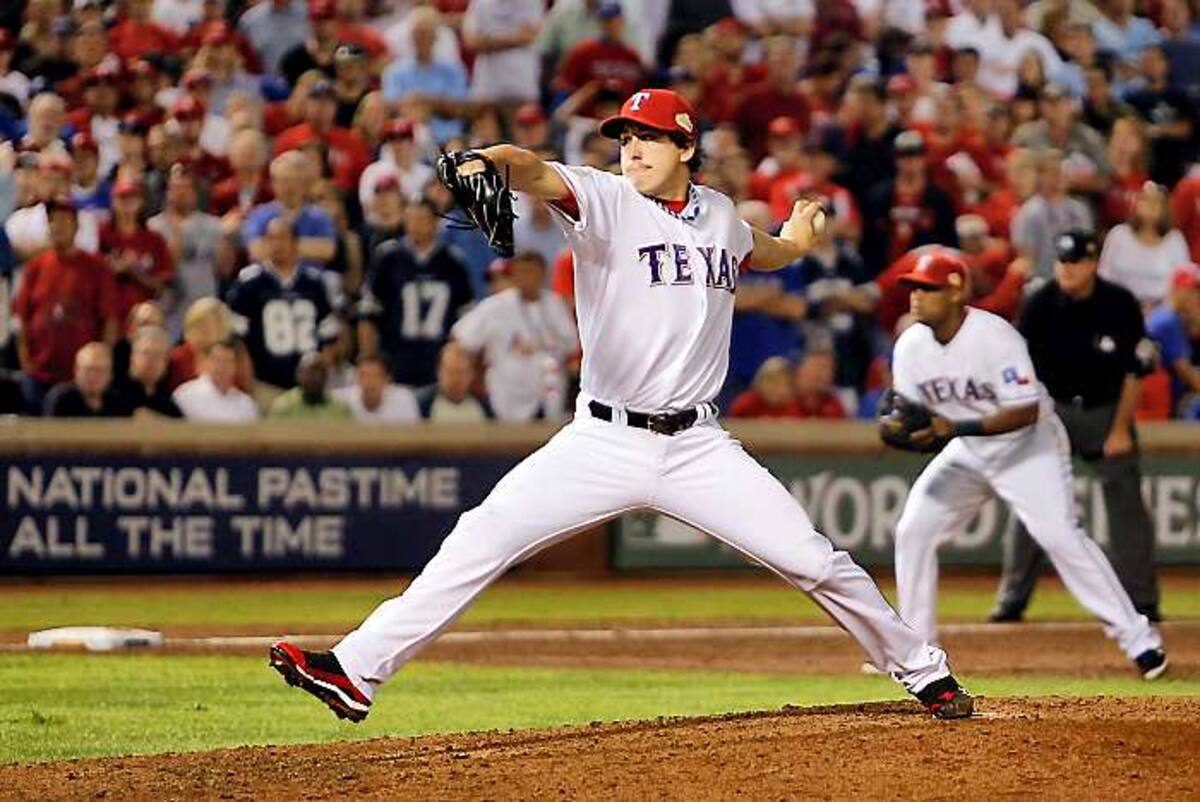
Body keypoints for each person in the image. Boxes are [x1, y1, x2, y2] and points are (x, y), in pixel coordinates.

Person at [270, 87, 974, 723]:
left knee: (815, 561)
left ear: (687, 147)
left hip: (697, 446)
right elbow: (531, 166)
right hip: (600, 439)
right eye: (624, 135)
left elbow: (767, 251)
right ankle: (355, 670)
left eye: (648, 135)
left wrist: (797, 235)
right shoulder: (605, 199)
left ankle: (924, 671)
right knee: (481, 537)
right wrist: (485, 158)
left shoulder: (721, 215)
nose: (631, 147)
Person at [885, 249, 1167, 679]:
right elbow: (912, 415)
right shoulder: (909, 347)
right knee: (913, 531)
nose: (916, 296)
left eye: (928, 288)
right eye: (913, 288)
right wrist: (907, 431)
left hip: (1027, 447)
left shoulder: (993, 336)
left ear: (957, 290)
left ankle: (1141, 641)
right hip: (970, 452)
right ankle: (917, 651)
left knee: (1060, 536)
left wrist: (951, 429)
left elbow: (1026, 411)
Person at [992, 230, 1165, 622]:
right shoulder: (1039, 303)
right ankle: (1011, 599)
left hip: (1107, 411)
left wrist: (1120, 429)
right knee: (1032, 503)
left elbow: (1135, 369)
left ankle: (1143, 602)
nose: (1067, 269)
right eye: (1062, 261)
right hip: (1052, 412)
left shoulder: (1118, 303)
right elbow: (1021, 369)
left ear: (1091, 263)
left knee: (1126, 506)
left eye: (1075, 261)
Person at [11, 197, 118, 413]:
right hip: (40, 372)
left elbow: (109, 320)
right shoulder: (36, 266)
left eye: (64, 220)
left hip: (82, 378)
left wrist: (102, 362)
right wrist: (25, 362)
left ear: (76, 226)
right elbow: (22, 318)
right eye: (52, 221)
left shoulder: (95, 267)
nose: (57, 226)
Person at [357, 197, 475, 388]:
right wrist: (369, 358)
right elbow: (369, 313)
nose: (415, 225)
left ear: (436, 222)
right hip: (395, 356)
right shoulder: (388, 256)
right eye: (410, 219)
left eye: (422, 219)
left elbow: (465, 319)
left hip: (438, 360)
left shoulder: (452, 261)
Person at [226, 217, 340, 409]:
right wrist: (249, 382)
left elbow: (328, 338)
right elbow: (238, 341)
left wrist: (320, 378)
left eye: (282, 238)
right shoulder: (250, 283)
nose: (277, 244)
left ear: (295, 243)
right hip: (265, 384)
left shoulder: (314, 283)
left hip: (308, 388)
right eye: (271, 238)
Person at [451, 251, 577, 422]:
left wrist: (543, 344)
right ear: (514, 274)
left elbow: (571, 344)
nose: (527, 277)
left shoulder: (554, 305)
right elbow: (461, 337)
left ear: (542, 274)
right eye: (522, 272)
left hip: (547, 395)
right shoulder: (496, 306)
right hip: (506, 394)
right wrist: (475, 376)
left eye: (532, 272)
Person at [1097, 182, 1191, 306]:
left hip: (1162, 309)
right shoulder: (1118, 235)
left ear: (1165, 208)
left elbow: (1183, 283)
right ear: (1136, 204)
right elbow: (1104, 277)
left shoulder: (1175, 239)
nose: (1151, 206)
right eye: (1146, 200)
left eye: (1157, 202)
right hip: (1120, 305)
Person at [173, 338, 260, 422]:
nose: (221, 366)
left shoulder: (246, 404)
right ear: (206, 362)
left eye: (228, 361)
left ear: (235, 367)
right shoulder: (185, 395)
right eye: (217, 360)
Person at [112, 324, 182, 418]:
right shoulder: (113, 394)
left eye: (158, 355)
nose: (151, 360)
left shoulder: (168, 400)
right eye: (146, 353)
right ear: (132, 356)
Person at [43, 341, 129, 417]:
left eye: (100, 370)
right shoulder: (61, 399)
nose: (93, 376)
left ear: (110, 375)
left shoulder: (115, 402)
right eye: (88, 369)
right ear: (76, 370)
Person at [333, 353, 420, 423]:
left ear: (387, 379)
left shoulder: (404, 399)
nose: (368, 382)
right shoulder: (340, 401)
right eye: (363, 375)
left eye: (375, 376)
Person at [268, 351, 353, 420]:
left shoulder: (340, 408)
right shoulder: (283, 407)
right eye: (307, 372)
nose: (312, 377)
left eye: (317, 372)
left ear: (326, 376)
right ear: (298, 375)